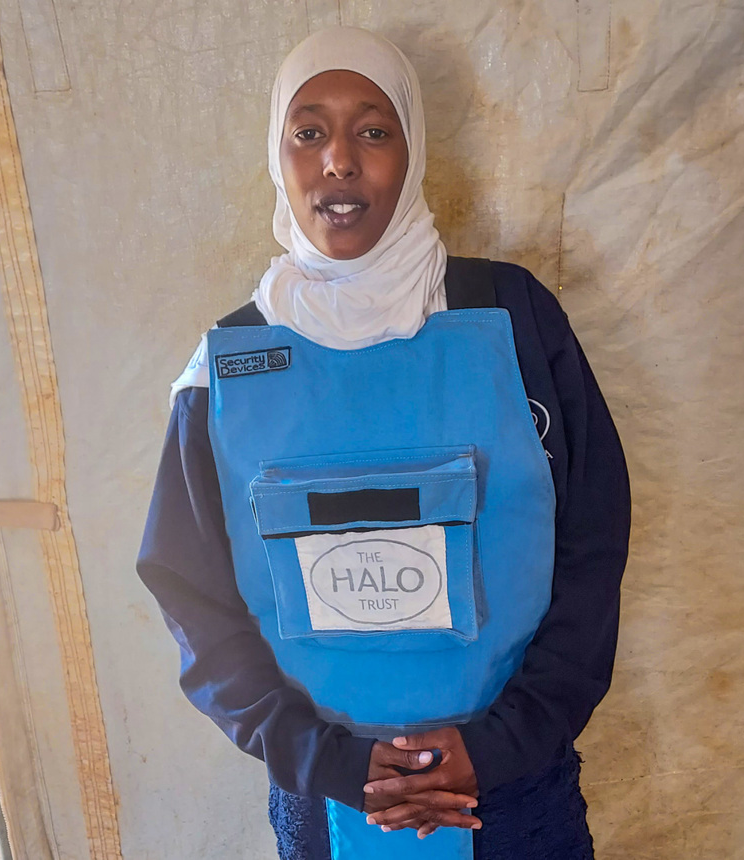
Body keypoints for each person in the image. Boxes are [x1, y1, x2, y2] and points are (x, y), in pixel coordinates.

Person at [137, 26, 630, 860]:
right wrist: (327, 760)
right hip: (326, 799)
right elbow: (192, 593)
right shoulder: (225, 370)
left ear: (413, 150)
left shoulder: (513, 319)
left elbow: (592, 541)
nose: (339, 160)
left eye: (372, 130)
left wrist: (502, 742)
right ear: (278, 157)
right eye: (308, 132)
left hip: (514, 793)